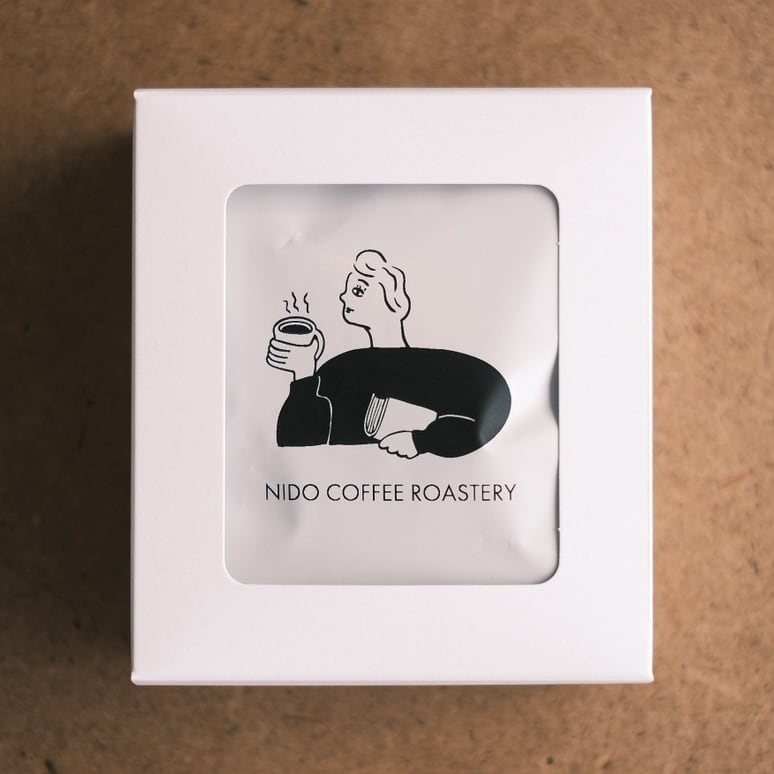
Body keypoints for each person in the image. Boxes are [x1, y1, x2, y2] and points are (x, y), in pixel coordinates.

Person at [266, 250, 511, 459]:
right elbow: (295, 441)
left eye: (358, 291)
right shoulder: (342, 367)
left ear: (395, 302)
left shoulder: (442, 369)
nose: (344, 296)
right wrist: (303, 373)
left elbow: (489, 414)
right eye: (348, 290)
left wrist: (422, 441)